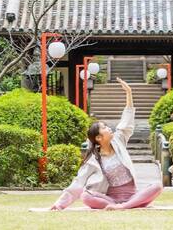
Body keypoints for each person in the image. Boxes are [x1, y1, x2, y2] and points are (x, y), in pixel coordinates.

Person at [49, 77, 163, 210]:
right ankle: (123, 206)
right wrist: (60, 204)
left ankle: (124, 206)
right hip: (110, 199)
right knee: (85, 196)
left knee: (157, 186)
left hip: (132, 195)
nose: (109, 128)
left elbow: (127, 122)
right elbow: (78, 183)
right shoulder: (94, 160)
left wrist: (129, 93)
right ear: (98, 138)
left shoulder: (118, 141)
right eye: (104, 128)